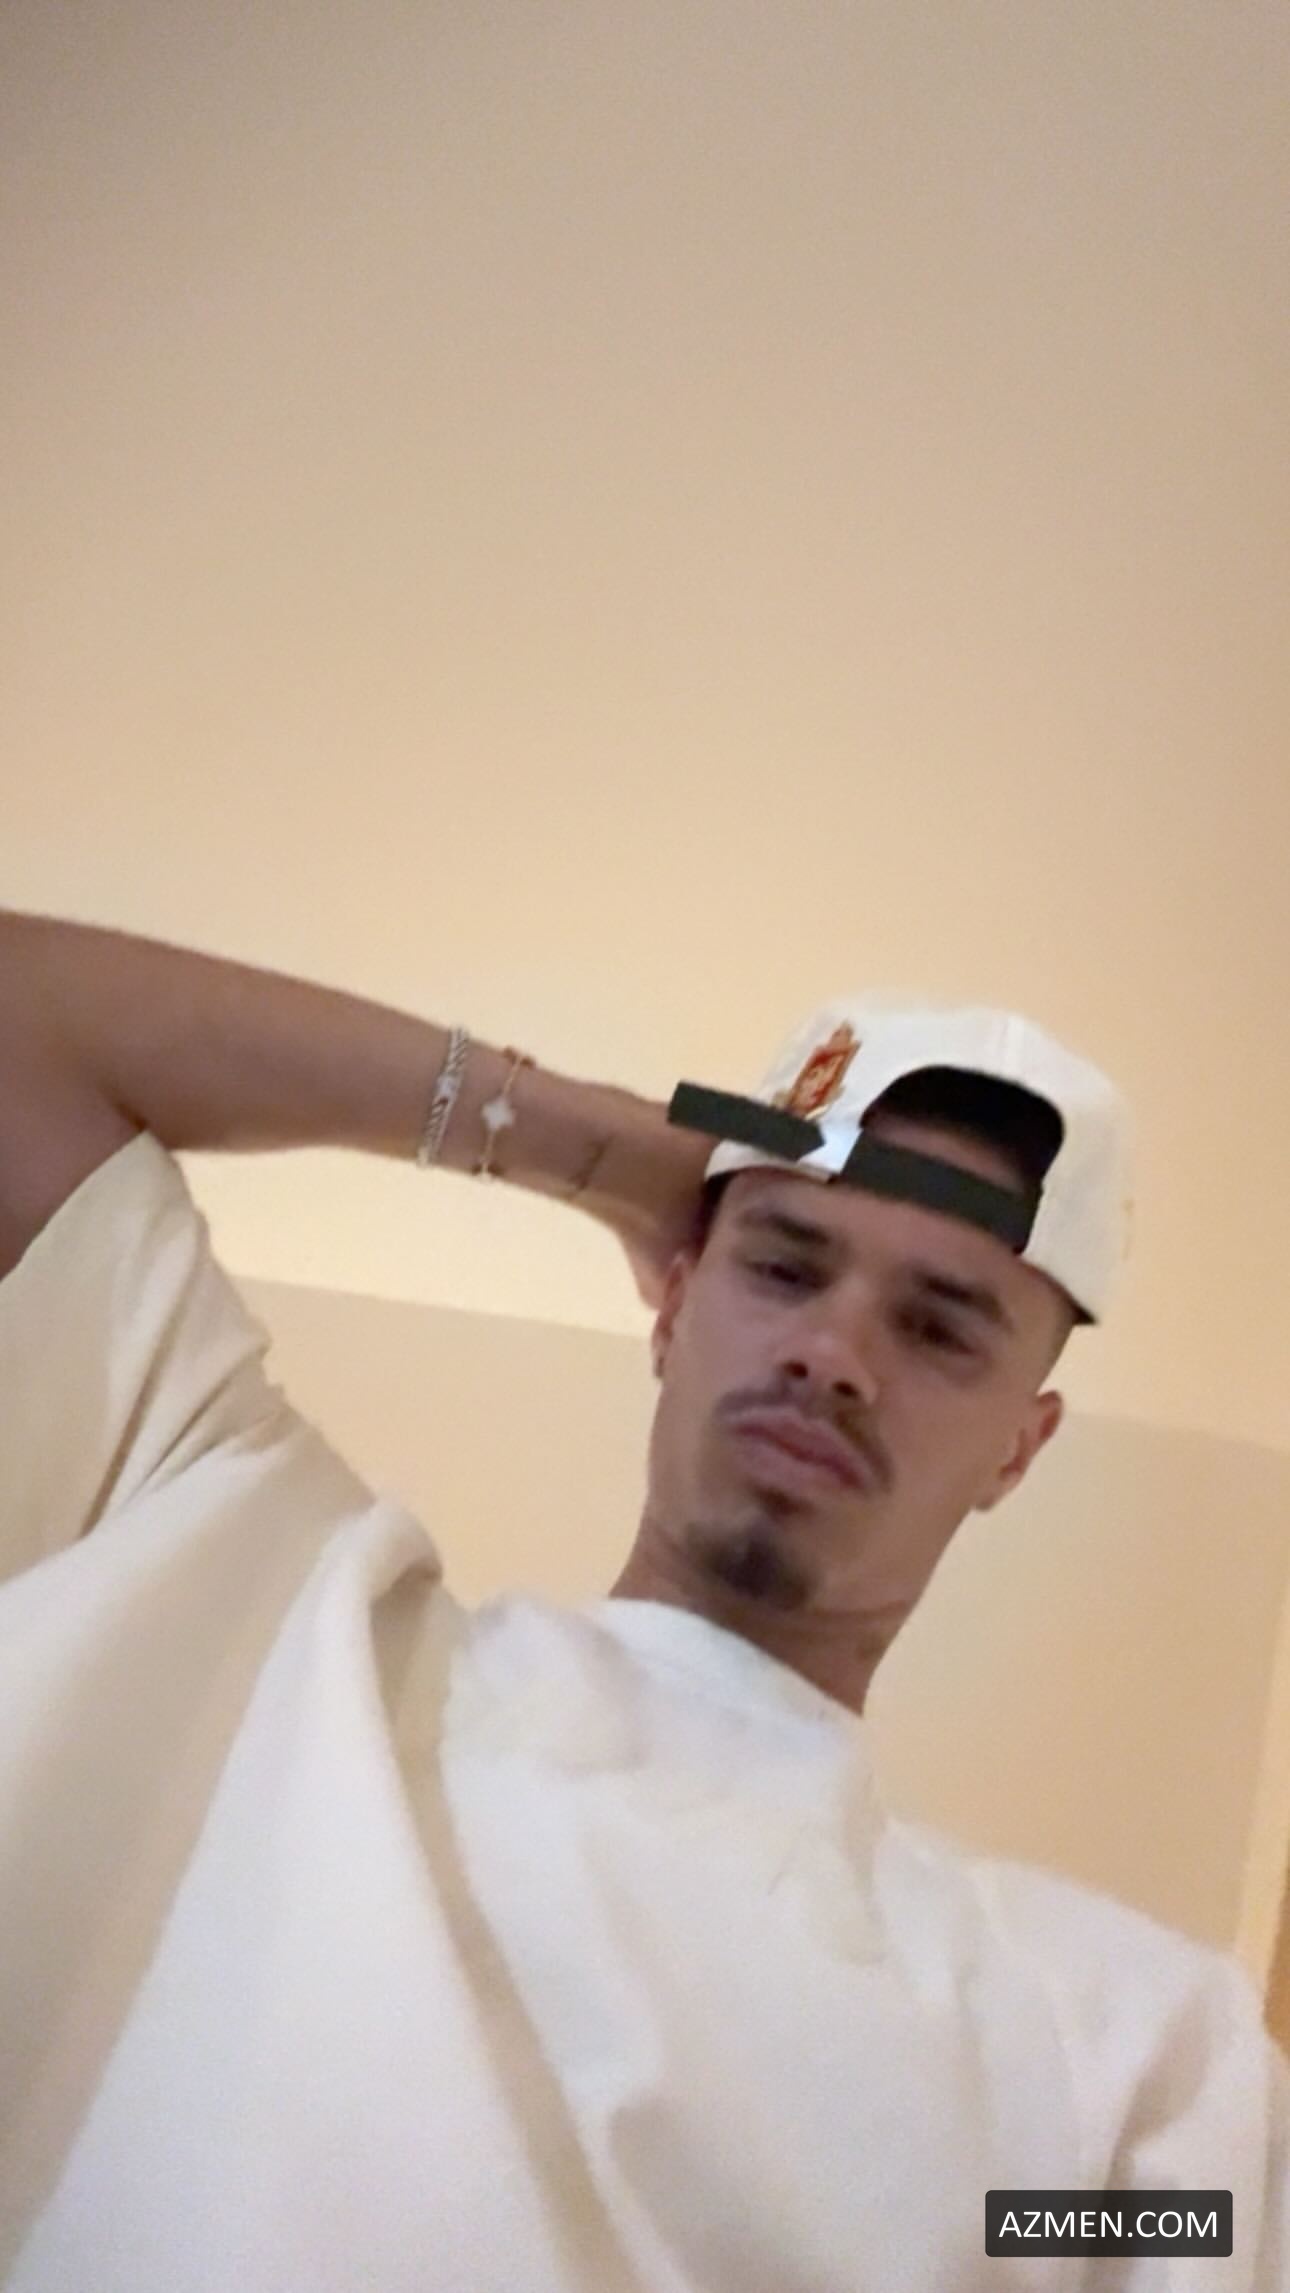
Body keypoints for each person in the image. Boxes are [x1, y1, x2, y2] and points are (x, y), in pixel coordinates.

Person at [0, 906, 1285, 2291]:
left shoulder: (1129, 2055)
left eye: (935, 1326)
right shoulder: (261, 1597)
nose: (833, 1353)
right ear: (670, 1305)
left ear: (1018, 1451)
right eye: (784, 1265)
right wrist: (602, 1149)